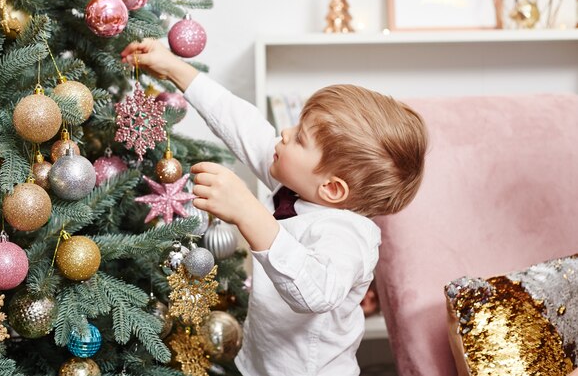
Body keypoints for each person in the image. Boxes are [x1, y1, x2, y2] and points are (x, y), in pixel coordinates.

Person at [121, 39, 428, 376]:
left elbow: (316, 293)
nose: (285, 132)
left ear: (332, 188)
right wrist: (176, 69)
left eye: (300, 139)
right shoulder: (299, 185)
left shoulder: (347, 234)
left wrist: (247, 211)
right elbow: (241, 123)